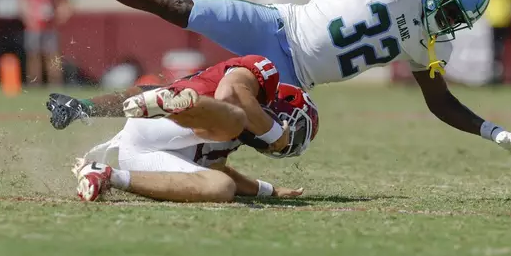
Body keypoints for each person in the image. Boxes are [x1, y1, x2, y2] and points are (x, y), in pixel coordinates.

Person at [30, 0, 511, 167]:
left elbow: (439, 102)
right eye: (453, 9)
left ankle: (84, 110)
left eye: (459, 16)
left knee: (197, 102)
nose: (450, 21)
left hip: (290, 78)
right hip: (277, 24)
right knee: (175, 7)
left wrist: (492, 129)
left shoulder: (429, 43)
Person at [46, 57, 319, 202]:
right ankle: (175, 106)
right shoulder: (263, 72)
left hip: (140, 152)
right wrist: (276, 135)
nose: (290, 142)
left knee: (220, 187)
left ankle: (106, 175)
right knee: (234, 117)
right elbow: (230, 92)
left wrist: (268, 190)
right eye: (295, 130)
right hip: (162, 123)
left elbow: (219, 169)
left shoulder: (231, 140)